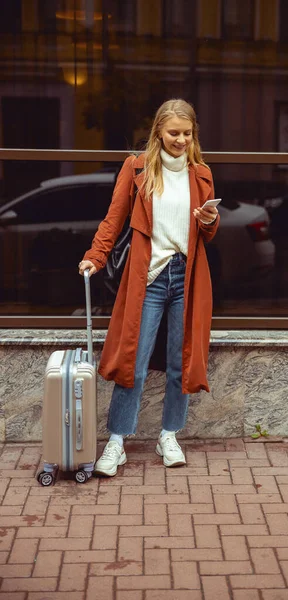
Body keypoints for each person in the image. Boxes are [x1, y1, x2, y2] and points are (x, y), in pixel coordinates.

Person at [78, 98, 220, 476]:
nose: (181, 140)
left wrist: (209, 219)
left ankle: (169, 435)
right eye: (174, 133)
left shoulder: (201, 173)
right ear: (159, 130)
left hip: (186, 276)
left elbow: (207, 233)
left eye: (187, 134)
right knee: (133, 363)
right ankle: (117, 442)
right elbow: (114, 217)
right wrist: (96, 255)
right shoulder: (137, 167)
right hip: (150, 277)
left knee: (180, 362)